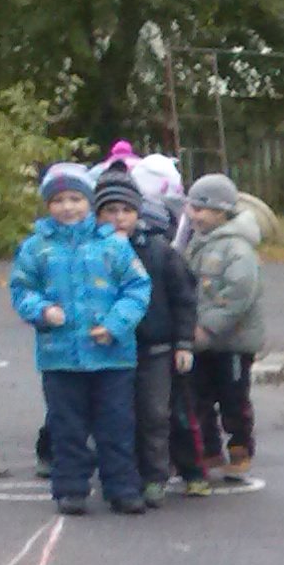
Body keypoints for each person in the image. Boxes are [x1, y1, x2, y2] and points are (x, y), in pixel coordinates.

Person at [9, 162, 152, 516]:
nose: (67, 207)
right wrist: (42, 311)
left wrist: (117, 324)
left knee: (116, 424)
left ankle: (121, 486)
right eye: (58, 200)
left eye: (75, 198)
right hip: (60, 356)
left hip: (112, 356)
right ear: (48, 205)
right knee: (67, 426)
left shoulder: (113, 246)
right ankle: (71, 487)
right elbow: (22, 289)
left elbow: (137, 288)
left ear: (88, 202)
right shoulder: (36, 248)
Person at [91, 166, 196, 506]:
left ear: (138, 212)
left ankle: (155, 475)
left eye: (126, 210)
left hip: (156, 348)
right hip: (109, 349)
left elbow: (183, 298)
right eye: (110, 211)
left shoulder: (160, 251)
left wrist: (183, 342)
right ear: (98, 215)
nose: (119, 218)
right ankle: (124, 474)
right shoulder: (92, 253)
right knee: (118, 415)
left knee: (154, 414)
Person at [181, 174, 266, 479]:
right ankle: (209, 448)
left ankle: (240, 446)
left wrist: (210, 327)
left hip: (232, 341)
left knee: (233, 397)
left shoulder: (237, 248)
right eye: (191, 208)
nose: (193, 216)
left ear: (221, 212)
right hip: (200, 340)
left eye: (200, 209)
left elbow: (239, 294)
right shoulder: (198, 242)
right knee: (197, 394)